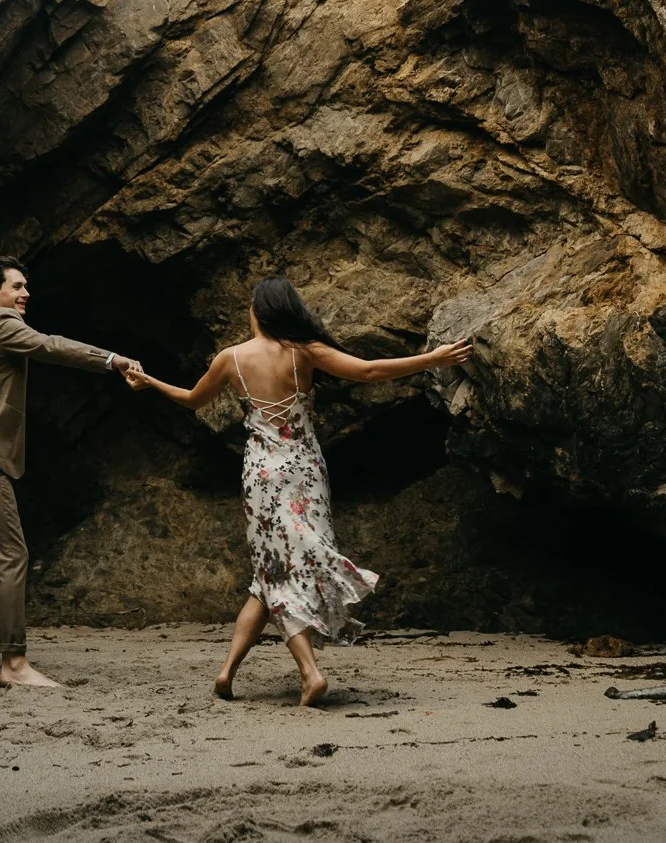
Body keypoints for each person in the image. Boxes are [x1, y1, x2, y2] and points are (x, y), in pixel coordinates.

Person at [122, 277, 471, 706]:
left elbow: (194, 400)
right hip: (304, 471)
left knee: (270, 574)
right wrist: (429, 359)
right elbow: (369, 371)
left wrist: (151, 382)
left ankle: (235, 672)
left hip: (260, 475)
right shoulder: (303, 352)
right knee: (278, 572)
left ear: (258, 311)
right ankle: (300, 672)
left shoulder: (229, 359)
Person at [0, 256, 141, 688]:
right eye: (16, 286)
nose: (25, 293)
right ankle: (14, 664)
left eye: (26, 287)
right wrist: (111, 359)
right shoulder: (0, 321)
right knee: (9, 554)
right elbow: (50, 345)